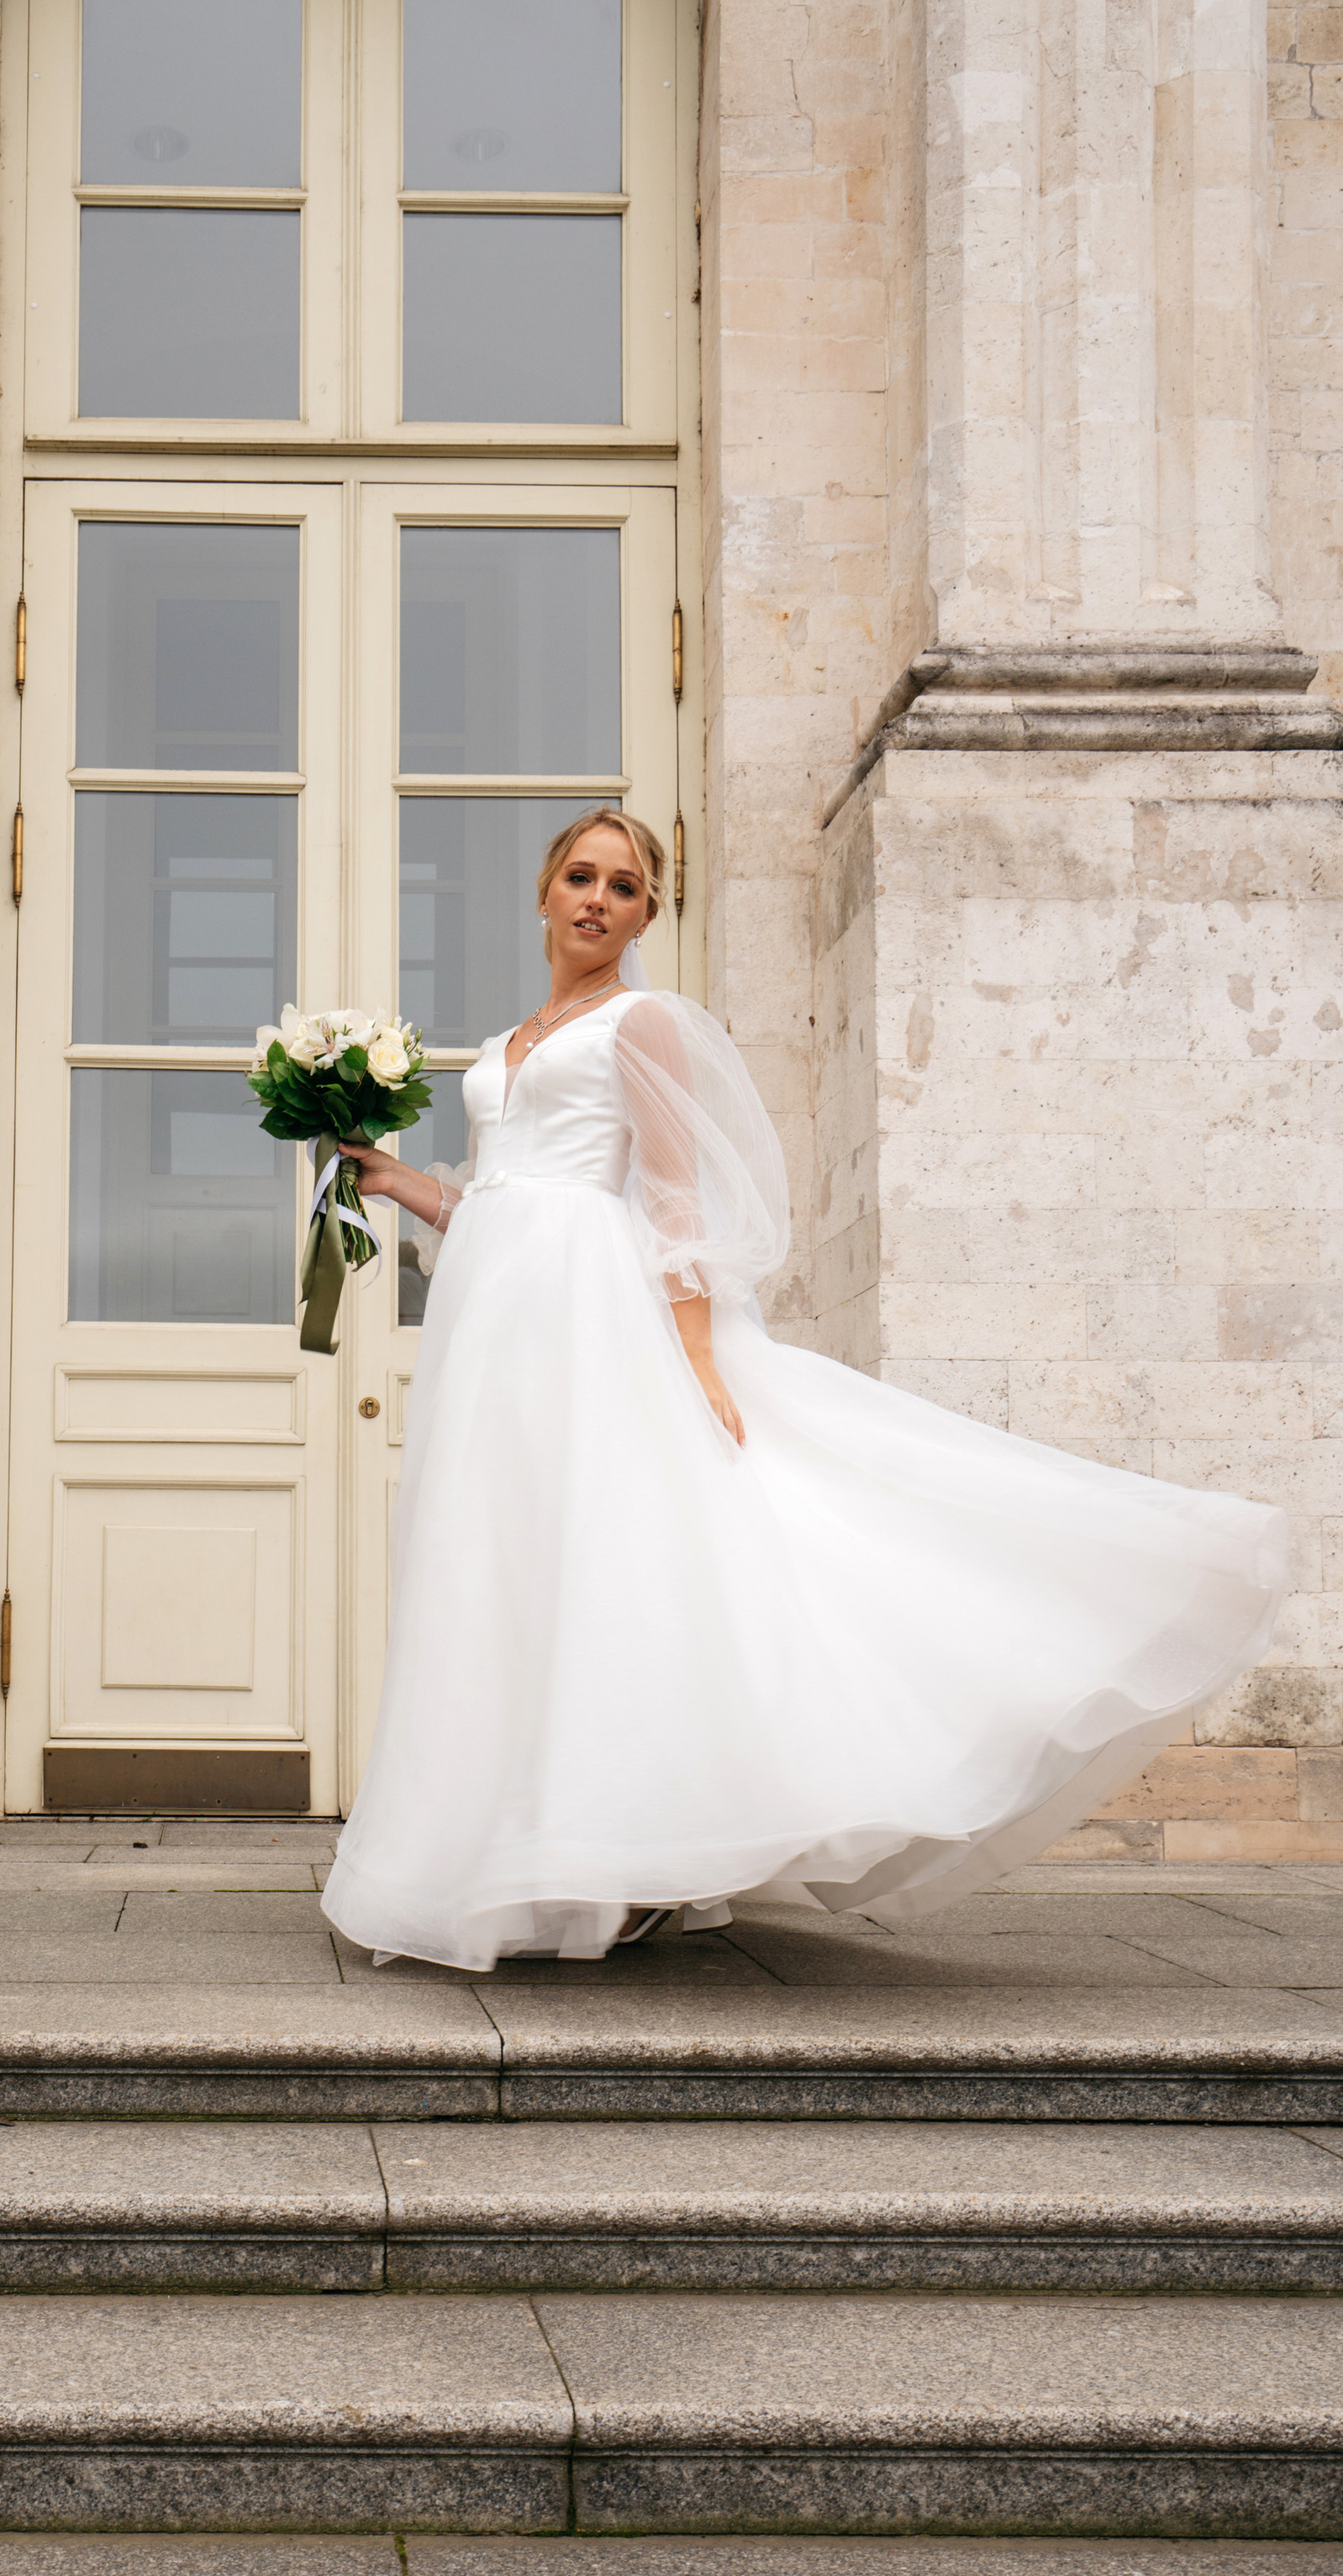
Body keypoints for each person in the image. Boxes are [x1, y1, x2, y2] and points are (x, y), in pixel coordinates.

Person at [320, 809, 1288, 1973]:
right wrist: (397, 1182)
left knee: (609, 1565)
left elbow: (673, 1198)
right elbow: (499, 1199)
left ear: (646, 913)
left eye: (624, 887)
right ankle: (509, 1850)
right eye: (580, 877)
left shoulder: (641, 1022)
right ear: (543, 892)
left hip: (593, 1320)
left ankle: (626, 1858)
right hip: (498, 1331)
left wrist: (693, 1356)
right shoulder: (508, 1042)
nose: (597, 900)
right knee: (505, 1566)